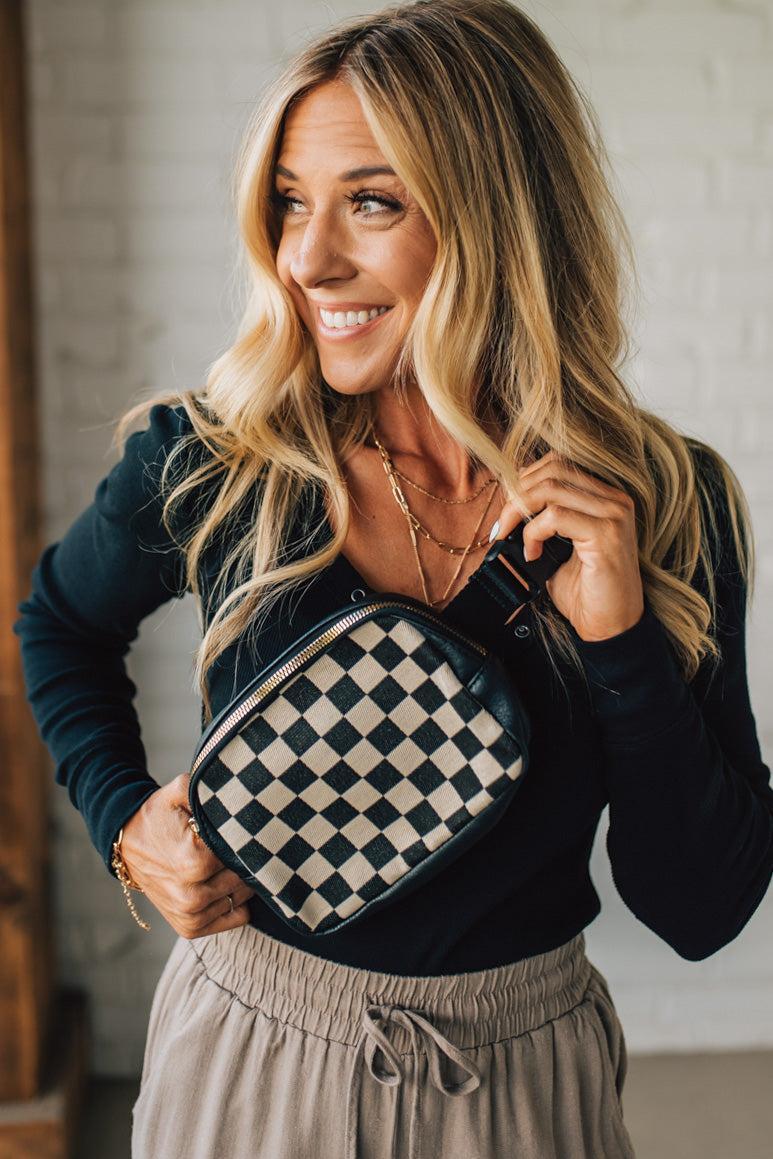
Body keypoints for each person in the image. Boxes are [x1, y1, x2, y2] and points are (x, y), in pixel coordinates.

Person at [13, 1, 773, 1156]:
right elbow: (58, 623)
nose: (306, 258)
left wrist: (619, 642)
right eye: (288, 201)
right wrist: (127, 823)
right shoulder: (217, 461)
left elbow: (699, 911)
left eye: (370, 201)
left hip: (522, 1085)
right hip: (250, 1059)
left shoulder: (663, 506)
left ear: (498, 217)